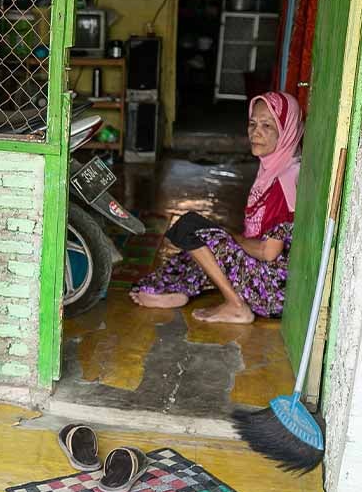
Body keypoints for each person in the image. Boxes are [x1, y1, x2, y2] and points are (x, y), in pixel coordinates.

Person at [129, 91, 303, 324]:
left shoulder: (286, 180)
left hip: (271, 291)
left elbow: (269, 252)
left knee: (190, 227)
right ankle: (177, 292)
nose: (255, 132)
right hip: (265, 279)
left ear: (286, 130)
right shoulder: (275, 168)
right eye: (252, 123)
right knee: (199, 253)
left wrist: (231, 239)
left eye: (267, 126)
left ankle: (236, 306)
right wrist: (225, 239)